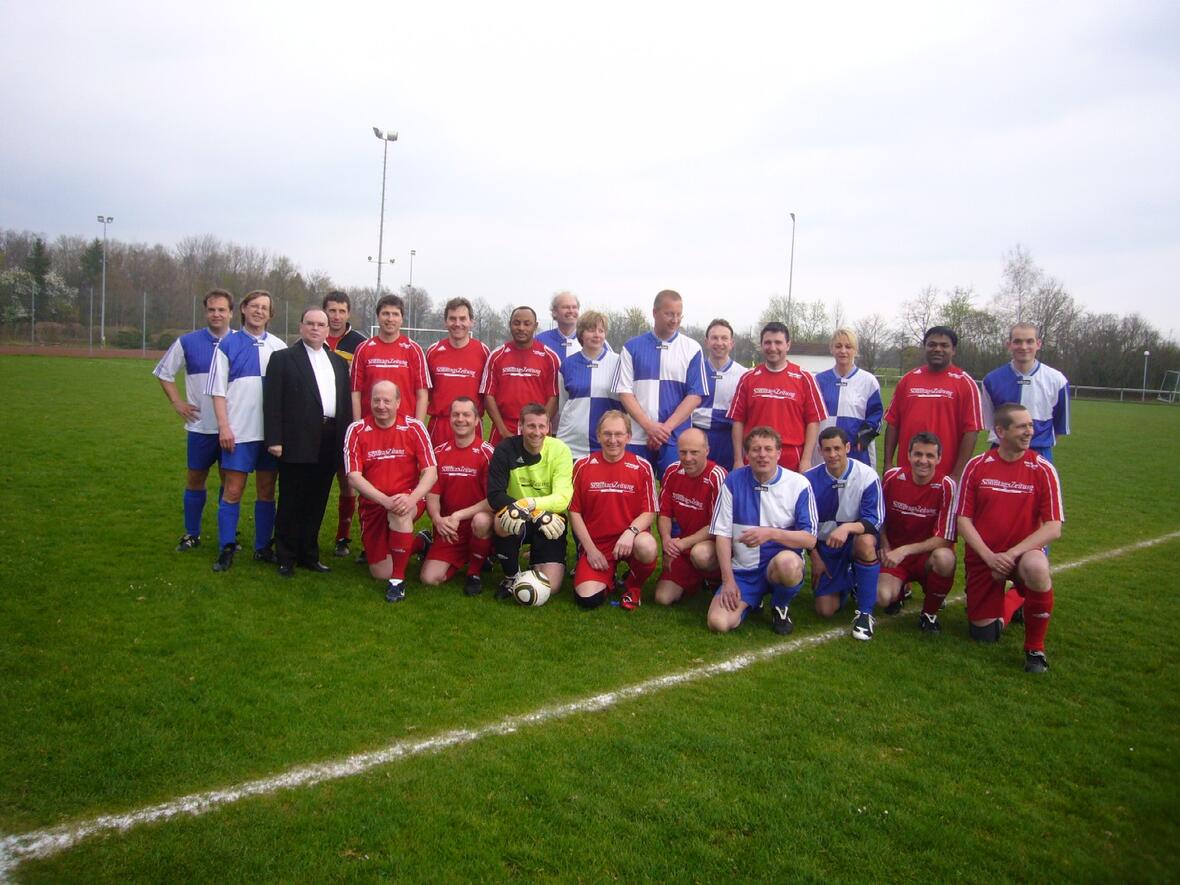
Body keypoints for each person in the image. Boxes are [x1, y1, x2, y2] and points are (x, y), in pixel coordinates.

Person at [957, 403, 1064, 673]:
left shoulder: (1043, 469)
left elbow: (1053, 528)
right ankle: (1017, 596)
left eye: (1030, 425)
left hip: (1021, 555)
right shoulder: (978, 466)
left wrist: (1011, 555)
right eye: (1022, 426)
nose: (1030, 431)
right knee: (984, 635)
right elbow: (963, 520)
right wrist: (990, 558)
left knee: (1037, 568)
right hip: (985, 556)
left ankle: (1035, 650)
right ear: (1000, 431)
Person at [263, 308, 352, 576]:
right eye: (310, 323)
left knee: (317, 500)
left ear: (328, 330)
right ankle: (286, 556)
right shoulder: (283, 359)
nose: (315, 328)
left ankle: (309, 554)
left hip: (329, 438)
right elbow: (272, 402)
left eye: (321, 324)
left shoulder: (336, 362)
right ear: (301, 327)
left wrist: (345, 442)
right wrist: (274, 439)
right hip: (295, 439)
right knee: (292, 499)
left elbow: (344, 403)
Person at [205, 289, 287, 572]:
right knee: (234, 489)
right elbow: (217, 392)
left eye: (264, 307)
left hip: (270, 434)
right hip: (239, 433)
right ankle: (226, 546)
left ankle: (262, 547)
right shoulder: (227, 345)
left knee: (266, 490)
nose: (259, 311)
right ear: (243, 309)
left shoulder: (278, 347)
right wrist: (224, 427)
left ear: (270, 313)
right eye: (254, 306)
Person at [707, 426, 818, 635]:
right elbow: (722, 534)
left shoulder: (799, 484)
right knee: (718, 623)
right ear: (747, 455)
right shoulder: (733, 481)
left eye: (768, 449)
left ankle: (780, 605)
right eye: (756, 449)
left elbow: (810, 539)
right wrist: (728, 580)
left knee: (789, 564)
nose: (762, 455)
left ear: (778, 453)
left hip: (779, 564)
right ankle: (751, 601)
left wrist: (771, 533)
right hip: (744, 569)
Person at [152, 287, 233, 551]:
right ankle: (191, 533)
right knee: (195, 478)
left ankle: (227, 536)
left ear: (232, 313)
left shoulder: (240, 342)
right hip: (200, 426)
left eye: (222, 309)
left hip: (233, 428)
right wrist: (177, 402)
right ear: (205, 312)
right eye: (212, 309)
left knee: (229, 481)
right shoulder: (188, 342)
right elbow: (164, 373)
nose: (216, 314)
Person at [345, 381, 438, 602]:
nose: (381, 405)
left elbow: (431, 472)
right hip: (374, 504)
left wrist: (411, 498)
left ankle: (397, 581)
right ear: (369, 401)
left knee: (400, 512)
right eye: (376, 400)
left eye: (387, 400)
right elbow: (353, 477)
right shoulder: (357, 430)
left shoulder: (414, 427)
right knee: (380, 572)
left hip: (408, 497)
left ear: (398, 402)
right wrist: (385, 501)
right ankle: (421, 543)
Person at [568, 411, 659, 610]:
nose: (613, 440)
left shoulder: (642, 467)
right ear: (598, 435)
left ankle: (632, 586)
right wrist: (590, 550)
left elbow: (650, 511)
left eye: (618, 434)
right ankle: (607, 575)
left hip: (631, 540)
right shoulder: (582, 466)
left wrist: (631, 532)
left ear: (628, 436)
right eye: (607, 434)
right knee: (587, 599)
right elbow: (574, 512)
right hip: (598, 544)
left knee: (648, 546)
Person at [612, 289, 707, 476]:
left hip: (675, 438)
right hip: (638, 437)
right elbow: (624, 392)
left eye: (679, 315)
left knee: (675, 496)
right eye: (669, 314)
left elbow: (695, 395)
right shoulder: (632, 347)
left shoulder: (692, 348)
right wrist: (649, 426)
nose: (675, 320)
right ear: (655, 313)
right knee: (634, 493)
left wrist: (665, 429)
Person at [803, 427, 884, 641]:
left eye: (837, 448)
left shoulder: (867, 476)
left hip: (854, 539)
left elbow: (874, 520)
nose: (833, 455)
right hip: (827, 548)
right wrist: (815, 556)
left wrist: (847, 527)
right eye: (827, 450)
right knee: (825, 610)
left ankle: (865, 613)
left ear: (847, 448)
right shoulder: (808, 481)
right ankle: (852, 580)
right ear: (820, 451)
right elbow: (803, 526)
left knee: (866, 543)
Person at [486, 403, 573, 598]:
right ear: (521, 426)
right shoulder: (505, 449)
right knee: (502, 521)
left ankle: (541, 559)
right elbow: (495, 495)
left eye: (542, 426)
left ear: (548, 428)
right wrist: (527, 510)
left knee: (552, 587)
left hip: (550, 519)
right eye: (531, 426)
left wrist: (530, 505)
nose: (537, 432)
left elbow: (562, 500)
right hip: (519, 515)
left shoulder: (560, 450)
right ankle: (511, 576)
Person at [878, 432, 958, 632]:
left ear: (939, 458)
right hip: (895, 556)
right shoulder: (893, 477)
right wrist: (885, 543)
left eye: (930, 456)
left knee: (945, 558)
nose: (923, 461)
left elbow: (944, 538)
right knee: (882, 597)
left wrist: (904, 550)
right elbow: (879, 517)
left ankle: (929, 614)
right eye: (918, 454)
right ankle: (900, 591)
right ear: (908, 454)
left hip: (925, 557)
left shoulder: (946, 486)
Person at [883, 325, 983, 483]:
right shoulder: (908, 380)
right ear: (925, 347)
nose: (937, 349)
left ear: (953, 350)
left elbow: (971, 431)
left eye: (944, 345)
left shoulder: (965, 383)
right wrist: (888, 464)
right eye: (932, 344)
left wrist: (957, 475)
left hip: (944, 476)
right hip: (907, 472)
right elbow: (893, 423)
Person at [420, 397, 496, 596]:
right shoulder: (439, 453)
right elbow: (432, 495)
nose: (461, 419)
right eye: (456, 415)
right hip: (449, 529)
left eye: (466, 415)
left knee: (481, 521)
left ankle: (474, 572)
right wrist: (437, 520)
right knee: (429, 579)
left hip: (477, 526)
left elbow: (493, 500)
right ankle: (432, 544)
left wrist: (459, 515)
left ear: (477, 420)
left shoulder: (488, 453)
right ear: (449, 419)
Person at [728, 322, 826, 473]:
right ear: (761, 345)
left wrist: (806, 460)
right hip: (755, 456)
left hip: (792, 458)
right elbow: (738, 421)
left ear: (788, 345)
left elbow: (813, 422)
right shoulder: (748, 378)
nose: (772, 348)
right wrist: (738, 460)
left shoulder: (804, 378)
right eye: (768, 342)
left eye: (778, 342)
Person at [654, 428, 726, 605]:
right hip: (683, 545)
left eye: (694, 452)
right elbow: (664, 513)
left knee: (700, 555)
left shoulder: (716, 476)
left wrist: (681, 544)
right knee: (662, 598)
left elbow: (717, 525)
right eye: (683, 452)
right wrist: (666, 541)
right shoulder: (672, 471)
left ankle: (715, 578)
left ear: (706, 451)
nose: (687, 458)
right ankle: (695, 580)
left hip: (712, 545)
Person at [322, 290, 368, 558]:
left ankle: (343, 536)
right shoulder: (315, 337)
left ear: (348, 313)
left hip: (348, 422)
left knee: (348, 480)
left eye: (341, 311)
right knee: (316, 480)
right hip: (317, 423)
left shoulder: (360, 343)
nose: (336, 316)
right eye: (331, 310)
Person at [981, 322, 1070, 462]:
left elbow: (1059, 427)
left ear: (1038, 344)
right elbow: (990, 423)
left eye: (1029, 341)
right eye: (1017, 342)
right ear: (1009, 344)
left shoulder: (1057, 380)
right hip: (1001, 453)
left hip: (1039, 454)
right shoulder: (991, 380)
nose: (1023, 347)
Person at [481, 306, 560, 444]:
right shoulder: (497, 356)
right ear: (510, 324)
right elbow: (488, 395)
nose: (521, 328)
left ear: (535, 326)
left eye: (527, 323)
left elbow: (554, 397)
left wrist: (539, 426)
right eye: (516, 323)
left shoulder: (550, 357)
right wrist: (502, 430)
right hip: (504, 427)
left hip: (537, 431)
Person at [351, 293, 430, 423]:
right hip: (370, 427)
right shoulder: (363, 349)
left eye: (395, 314)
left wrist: (418, 428)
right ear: (378, 317)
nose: (390, 318)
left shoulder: (414, 350)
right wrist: (358, 426)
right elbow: (356, 393)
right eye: (385, 313)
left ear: (402, 319)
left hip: (404, 429)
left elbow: (422, 395)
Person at [811, 328, 883, 469]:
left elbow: (877, 415)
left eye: (848, 346)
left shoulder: (868, 381)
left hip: (857, 450)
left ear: (855, 350)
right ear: (831, 349)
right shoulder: (818, 380)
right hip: (824, 450)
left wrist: (864, 436)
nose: (843, 351)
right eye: (838, 346)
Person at [555, 310, 622, 459]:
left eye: (601, 330)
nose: (597, 335)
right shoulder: (568, 364)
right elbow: (563, 404)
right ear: (581, 334)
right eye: (591, 330)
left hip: (607, 443)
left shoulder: (619, 362)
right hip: (572, 442)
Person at [424, 296, 491, 446]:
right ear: (445, 322)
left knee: (473, 468)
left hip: (471, 424)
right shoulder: (433, 352)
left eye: (462, 318)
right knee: (435, 469)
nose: (457, 323)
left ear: (471, 322)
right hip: (440, 425)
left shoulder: (483, 351)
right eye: (452, 319)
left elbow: (488, 393)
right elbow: (425, 392)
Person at [688, 318, 747, 472]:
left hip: (727, 439)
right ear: (706, 342)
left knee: (724, 485)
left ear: (731, 343)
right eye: (714, 338)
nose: (719, 343)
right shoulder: (694, 370)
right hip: (697, 435)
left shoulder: (744, 375)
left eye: (724, 338)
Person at [535, 290, 586, 364]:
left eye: (574, 307)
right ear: (555, 312)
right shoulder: (540, 341)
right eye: (566, 307)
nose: (571, 310)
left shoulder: (595, 340)